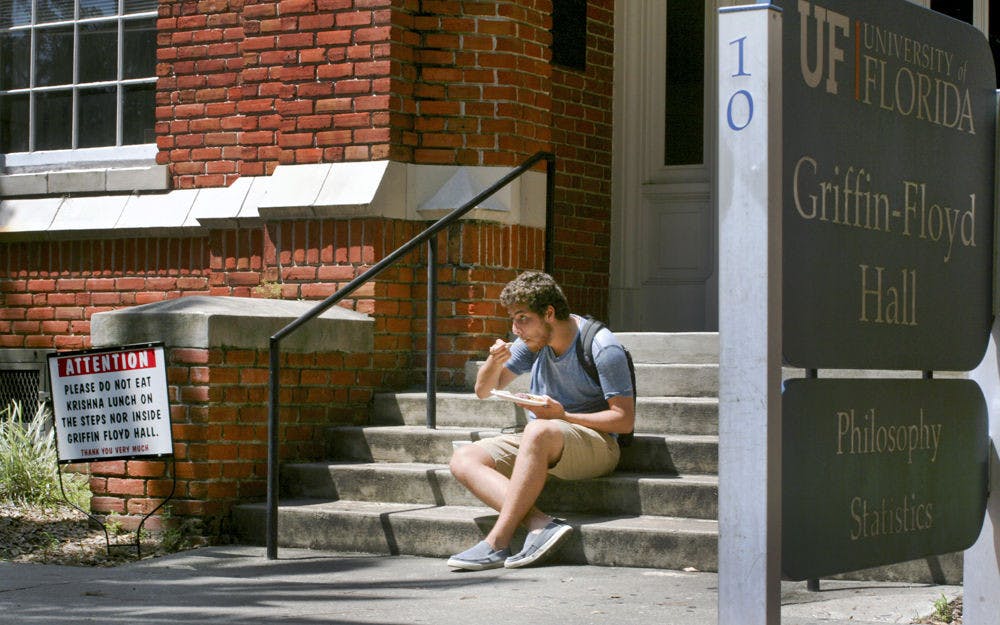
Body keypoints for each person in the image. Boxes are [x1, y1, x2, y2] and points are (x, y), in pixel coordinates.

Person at [447, 271, 635, 570]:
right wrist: (493, 363)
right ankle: (540, 523)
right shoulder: (533, 341)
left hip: (597, 446)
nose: (516, 328)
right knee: (464, 457)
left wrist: (563, 416)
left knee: (538, 429)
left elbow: (623, 420)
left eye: (522, 318)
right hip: (545, 437)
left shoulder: (601, 346)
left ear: (548, 313)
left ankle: (497, 543)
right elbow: (483, 391)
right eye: (512, 319)